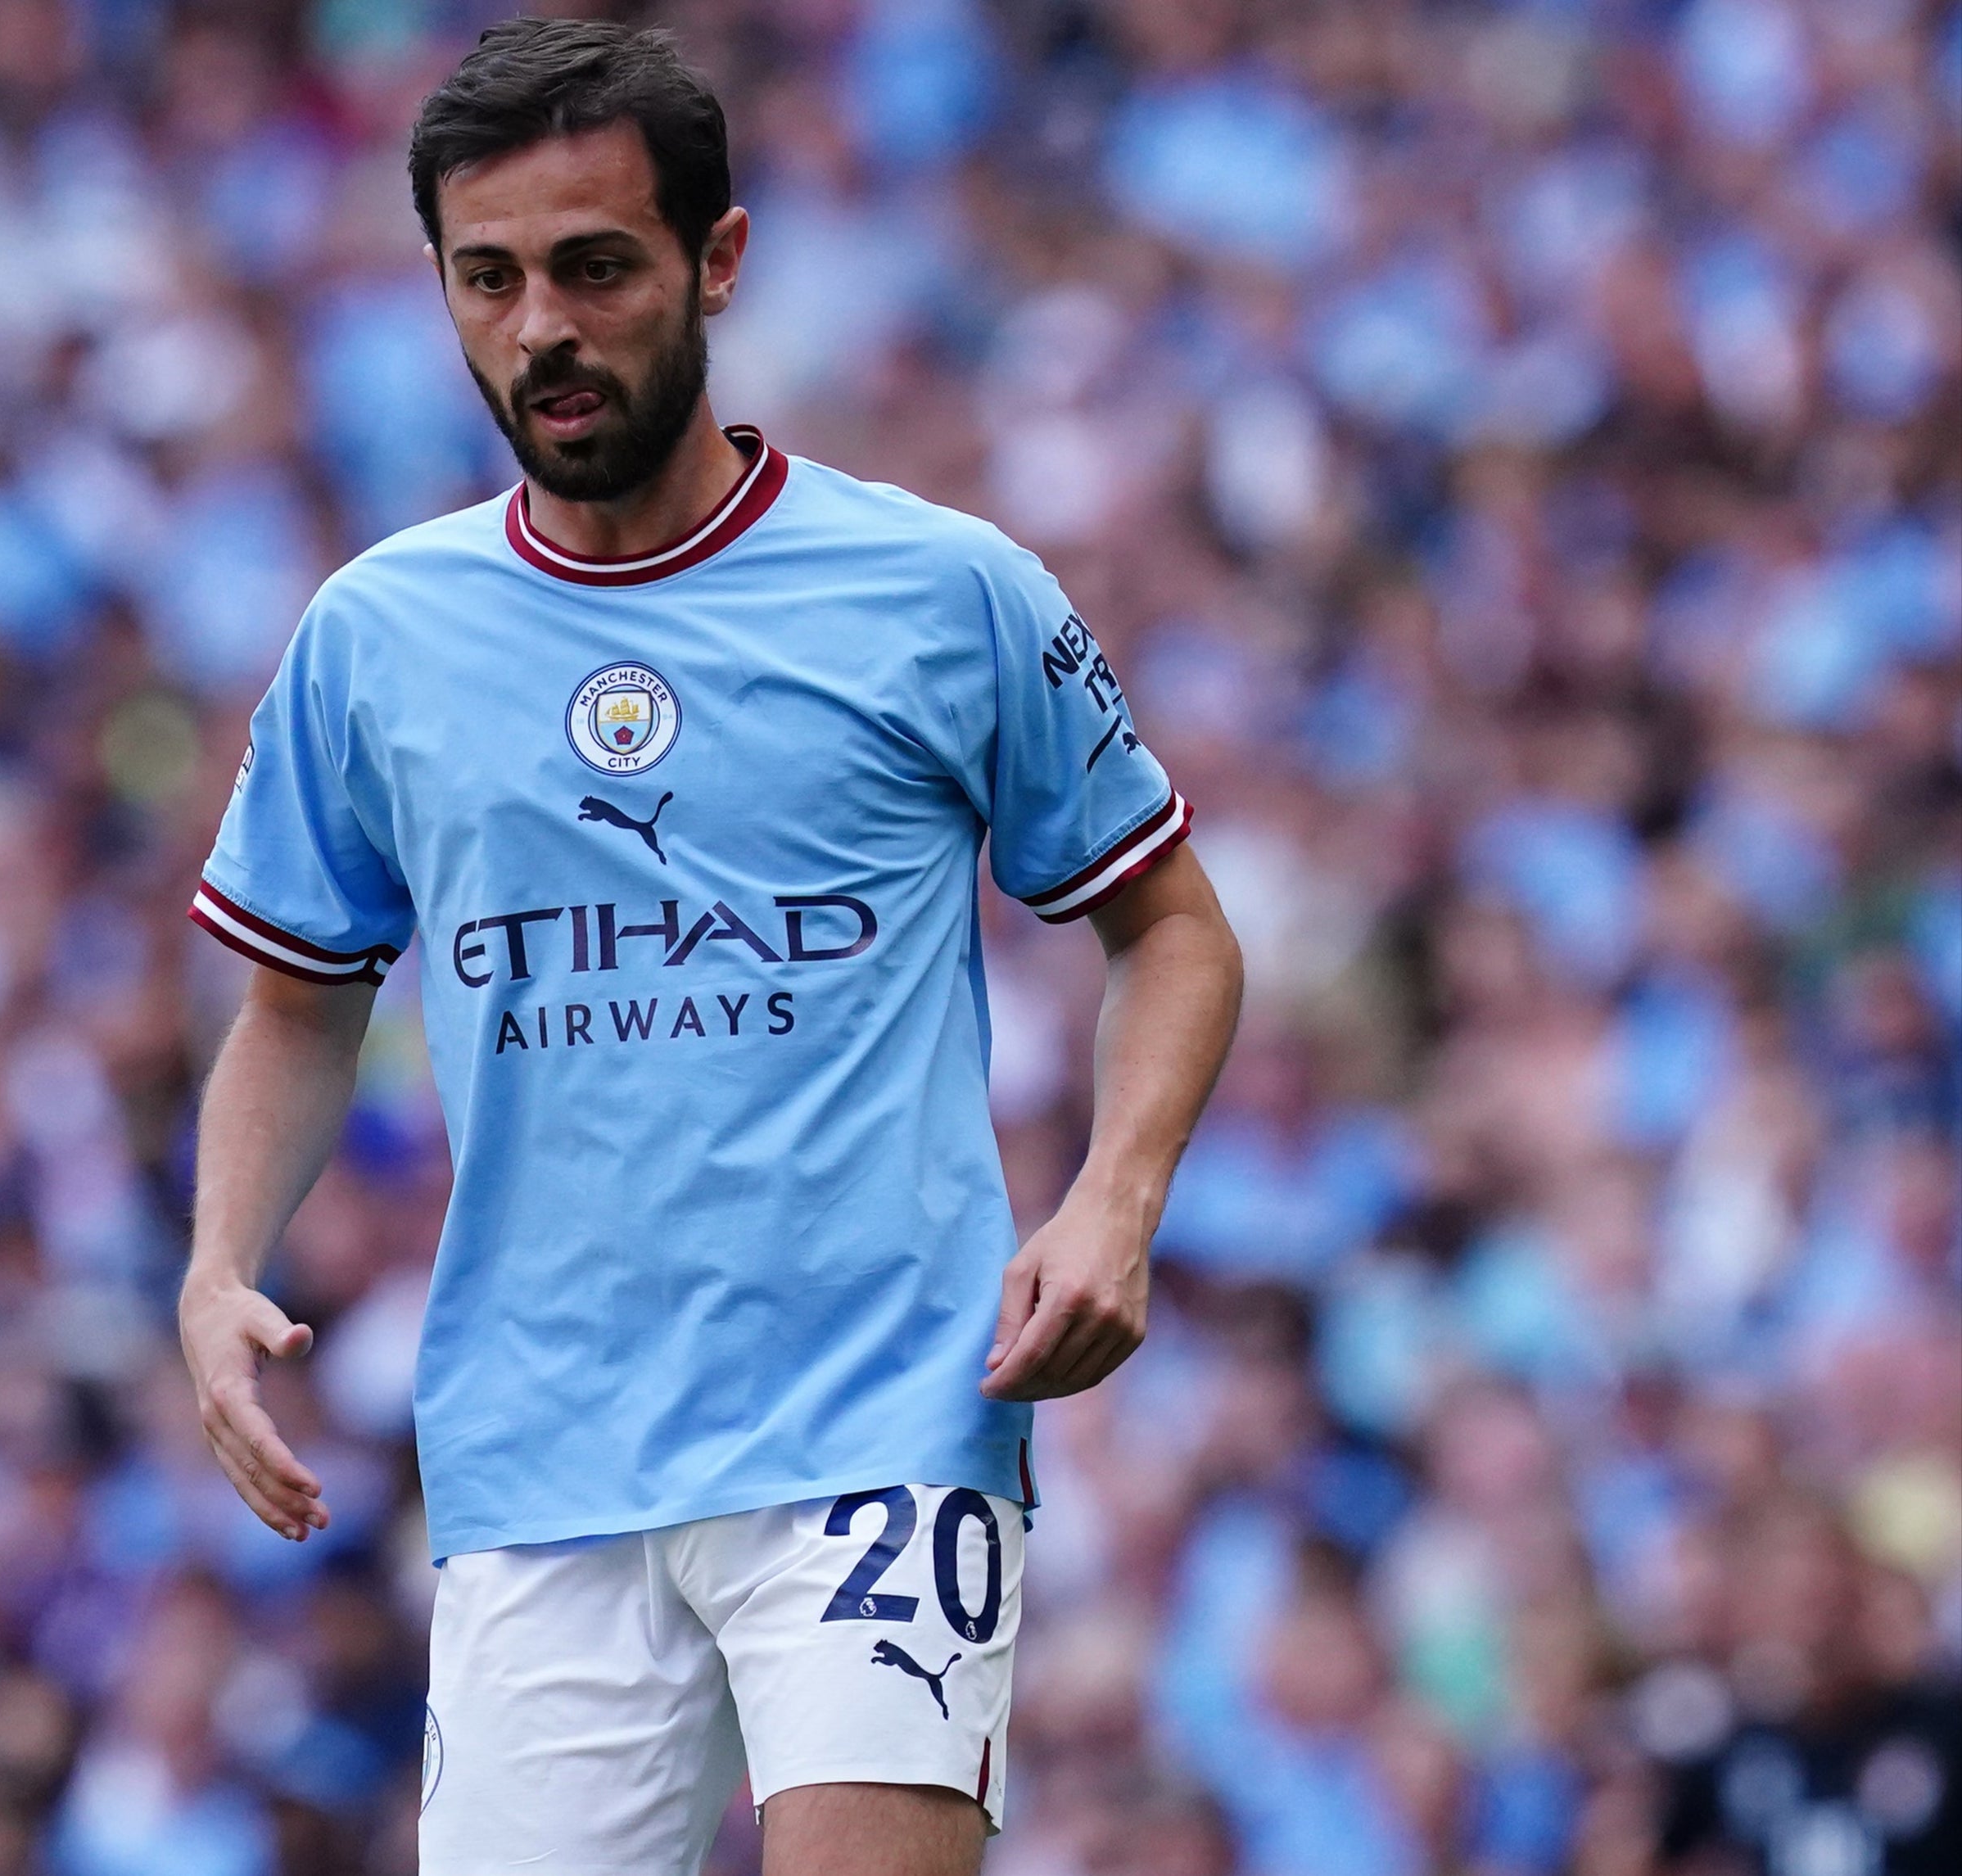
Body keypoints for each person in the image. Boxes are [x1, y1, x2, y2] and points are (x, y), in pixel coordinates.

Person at [175, 20, 1243, 1875]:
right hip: (538, 1457)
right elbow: (294, 1002)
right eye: (488, 278)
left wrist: (1115, 1197)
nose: (540, 330)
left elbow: (1174, 929)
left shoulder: (941, 589)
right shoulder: (376, 637)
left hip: (882, 1421)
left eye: (594, 267)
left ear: (718, 262)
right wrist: (211, 1269)